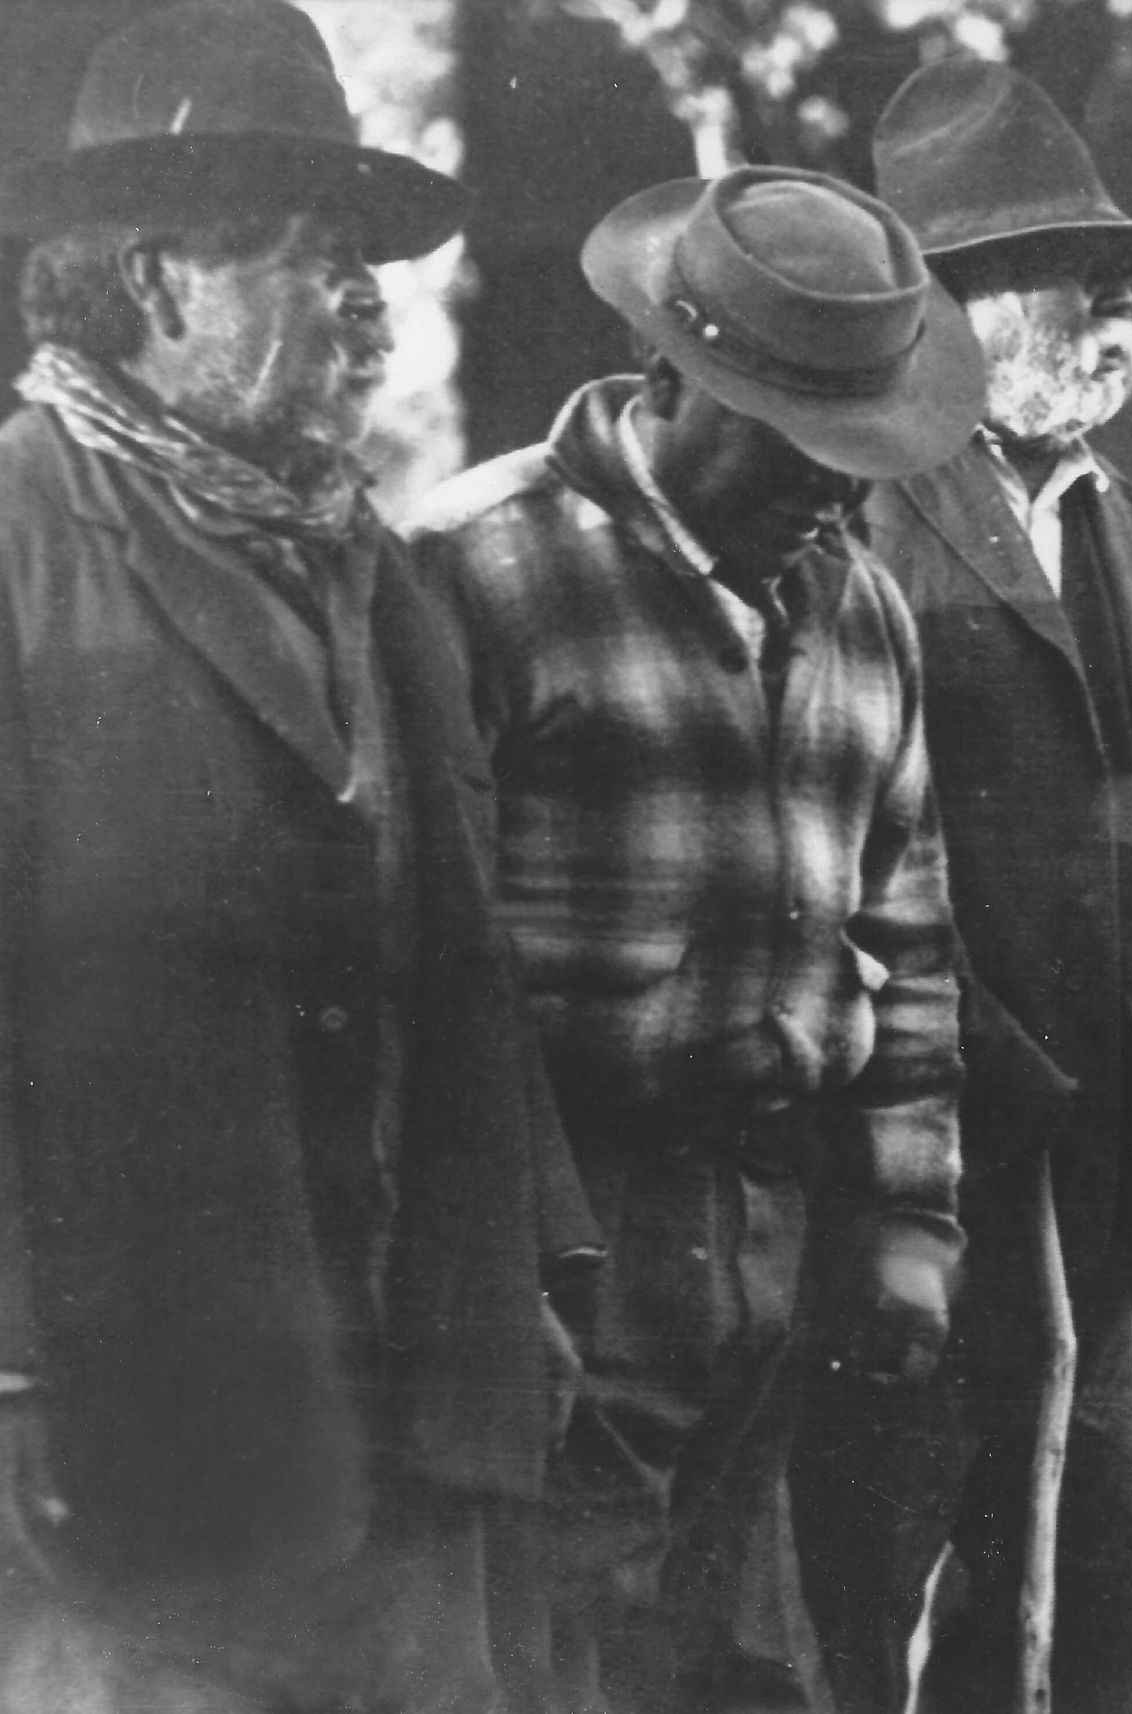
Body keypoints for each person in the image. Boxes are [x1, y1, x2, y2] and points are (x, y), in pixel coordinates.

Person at [0, 3, 597, 1709]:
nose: (365, 302)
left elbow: (463, 946)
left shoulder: (366, 565)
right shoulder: (23, 541)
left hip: (407, 1400)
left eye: (370, 260)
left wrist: (533, 1266)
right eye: (308, 253)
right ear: (153, 278)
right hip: (137, 1426)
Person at [408, 168, 982, 1713]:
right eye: (795, 440)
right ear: (669, 376)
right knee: (563, 1649)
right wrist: (501, 1255)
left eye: (861, 452)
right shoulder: (476, 567)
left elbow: (909, 927)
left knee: (740, 1658)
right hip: (569, 1222)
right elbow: (419, 961)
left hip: (780, 1216)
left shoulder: (862, 608)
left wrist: (910, 1218)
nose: (833, 490)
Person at [786, 57, 1132, 1714]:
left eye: (1121, 278)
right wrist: (972, 1066)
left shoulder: (1124, 526)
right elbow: (837, 840)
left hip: (1105, 1144)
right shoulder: (862, 512)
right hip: (928, 1133)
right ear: (955, 307)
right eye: (1070, 271)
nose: (1119, 311)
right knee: (889, 1531)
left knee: (1094, 1532)